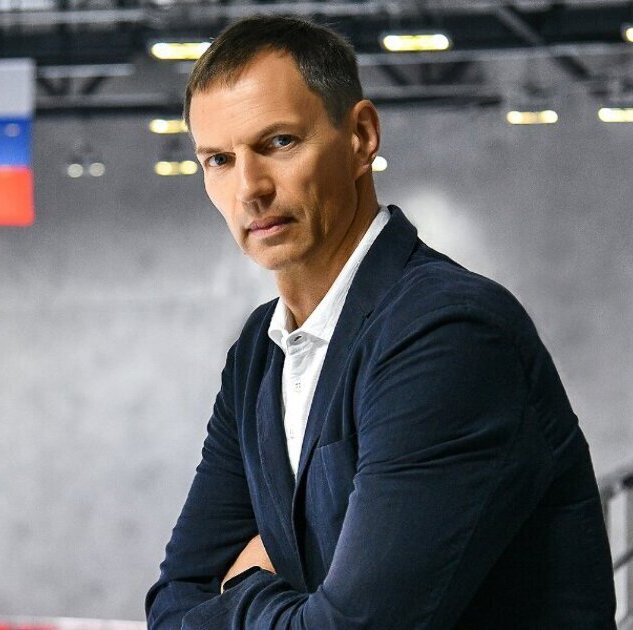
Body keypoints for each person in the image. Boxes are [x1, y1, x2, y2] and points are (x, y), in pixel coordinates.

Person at [145, 15, 616, 629]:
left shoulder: (446, 334)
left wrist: (243, 588)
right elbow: (172, 603)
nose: (249, 189)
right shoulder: (258, 355)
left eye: (279, 142)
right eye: (218, 160)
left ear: (361, 137)